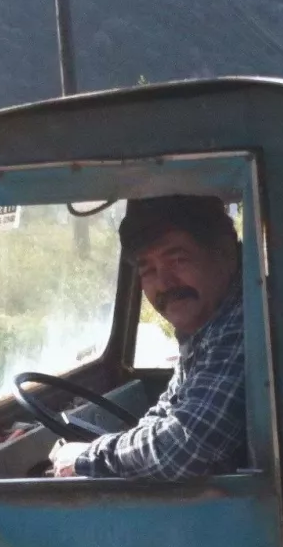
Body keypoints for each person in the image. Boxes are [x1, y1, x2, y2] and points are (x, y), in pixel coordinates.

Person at [50, 195, 247, 480]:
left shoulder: (244, 320)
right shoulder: (205, 328)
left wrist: (84, 458)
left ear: (226, 254)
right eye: (149, 270)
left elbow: (186, 447)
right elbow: (169, 410)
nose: (164, 283)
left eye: (178, 260)